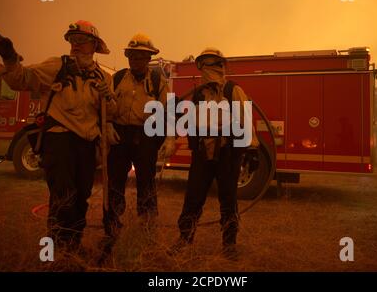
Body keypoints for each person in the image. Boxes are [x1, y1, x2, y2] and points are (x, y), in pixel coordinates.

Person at [0, 21, 116, 252]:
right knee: (64, 196)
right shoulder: (56, 66)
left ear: (94, 45)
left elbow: (111, 113)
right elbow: (21, 79)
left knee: (81, 196)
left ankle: (73, 245)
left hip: (87, 144)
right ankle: (57, 248)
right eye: (72, 40)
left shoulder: (104, 78)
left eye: (81, 41)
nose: (75, 45)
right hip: (59, 139)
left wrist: (108, 98)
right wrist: (10, 57)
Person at [168, 48, 260, 260]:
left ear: (222, 66)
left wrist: (253, 149)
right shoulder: (199, 94)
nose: (210, 70)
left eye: (214, 65)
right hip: (202, 152)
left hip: (227, 152)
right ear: (200, 68)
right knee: (193, 198)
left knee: (228, 200)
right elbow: (191, 121)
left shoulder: (233, 90)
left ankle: (229, 245)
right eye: (205, 65)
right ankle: (184, 239)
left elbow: (247, 121)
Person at [103, 33, 175, 238]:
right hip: (119, 136)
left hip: (146, 137)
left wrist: (169, 139)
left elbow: (168, 111)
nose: (136, 60)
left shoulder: (157, 81)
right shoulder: (116, 79)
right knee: (115, 181)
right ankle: (112, 226)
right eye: (132, 55)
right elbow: (106, 107)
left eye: (141, 56)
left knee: (146, 181)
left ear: (149, 58)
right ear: (128, 56)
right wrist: (108, 125)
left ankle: (147, 227)